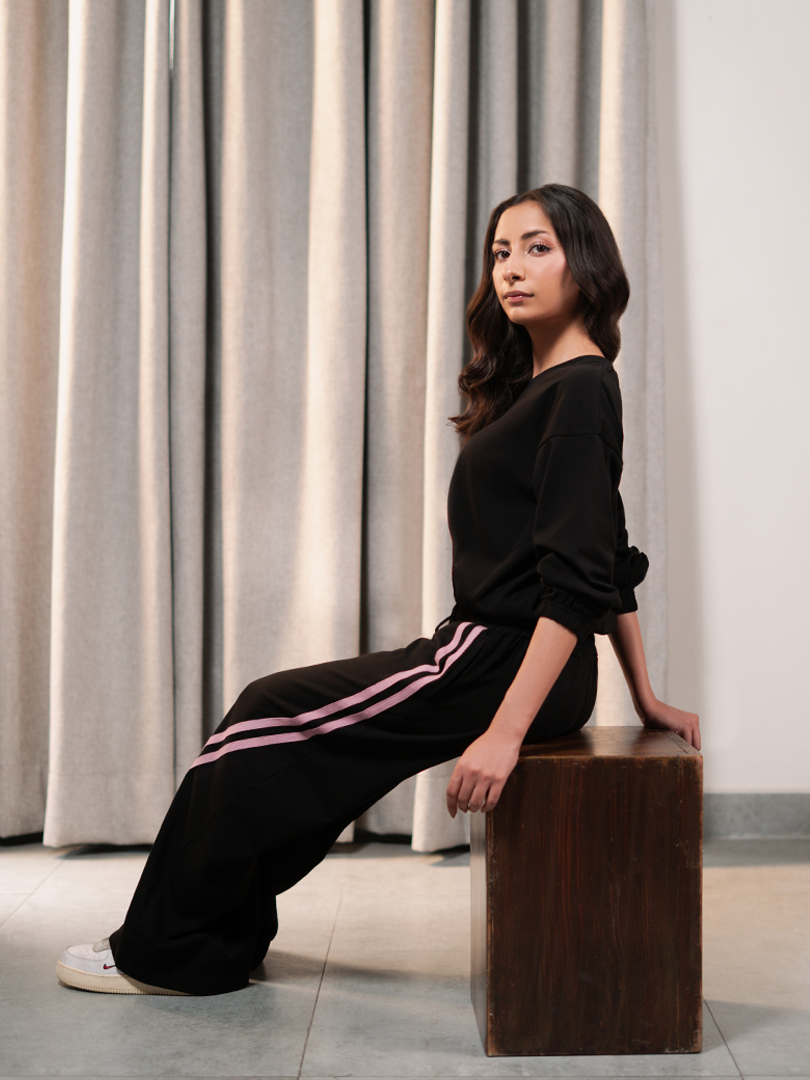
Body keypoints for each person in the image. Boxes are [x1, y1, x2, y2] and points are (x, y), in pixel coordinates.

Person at [55, 184, 700, 997]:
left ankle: (163, 953)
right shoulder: (553, 387)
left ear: (587, 262)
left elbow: (582, 576)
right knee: (285, 738)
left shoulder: (577, 388)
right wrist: (645, 696)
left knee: (263, 716)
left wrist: (505, 733)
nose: (511, 268)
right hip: (503, 655)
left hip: (501, 657)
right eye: (500, 252)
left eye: (538, 247)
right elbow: (609, 550)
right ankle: (215, 934)